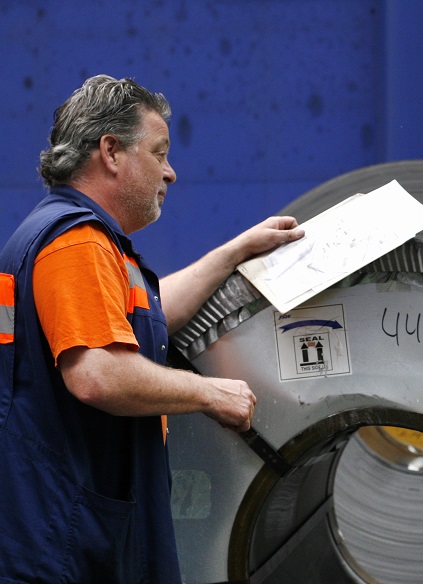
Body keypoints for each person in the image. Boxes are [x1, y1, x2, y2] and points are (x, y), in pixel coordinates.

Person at [0, 75, 305, 583]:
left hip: (67, 528)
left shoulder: (88, 242)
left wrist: (234, 253)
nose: (171, 173)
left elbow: (152, 320)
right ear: (111, 151)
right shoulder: (75, 244)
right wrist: (208, 392)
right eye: (159, 152)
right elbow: (97, 373)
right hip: (60, 541)